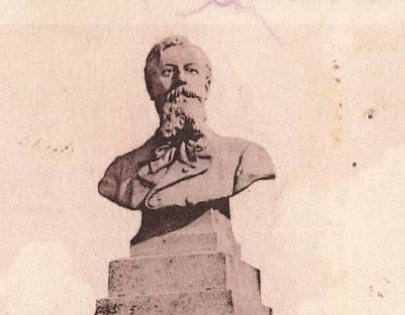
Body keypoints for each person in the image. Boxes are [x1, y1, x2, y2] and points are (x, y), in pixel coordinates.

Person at [97, 36, 275, 222]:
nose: (181, 79)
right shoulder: (122, 172)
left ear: (206, 86)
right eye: (167, 72)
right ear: (150, 88)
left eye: (191, 70)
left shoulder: (245, 157)